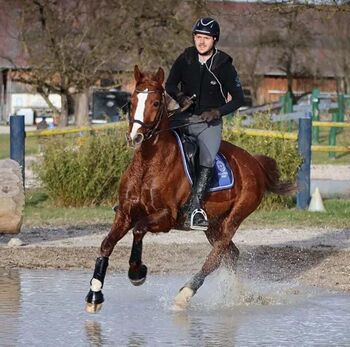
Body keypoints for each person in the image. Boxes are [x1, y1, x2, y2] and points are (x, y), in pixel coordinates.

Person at [165, 17, 245, 230]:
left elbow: (239, 99)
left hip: (209, 124)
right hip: (182, 118)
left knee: (207, 158)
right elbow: (170, 84)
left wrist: (218, 111)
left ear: (214, 40)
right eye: (198, 37)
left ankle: (195, 209)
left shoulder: (224, 65)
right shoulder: (185, 58)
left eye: (206, 38)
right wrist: (181, 98)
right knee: (156, 141)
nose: (201, 42)